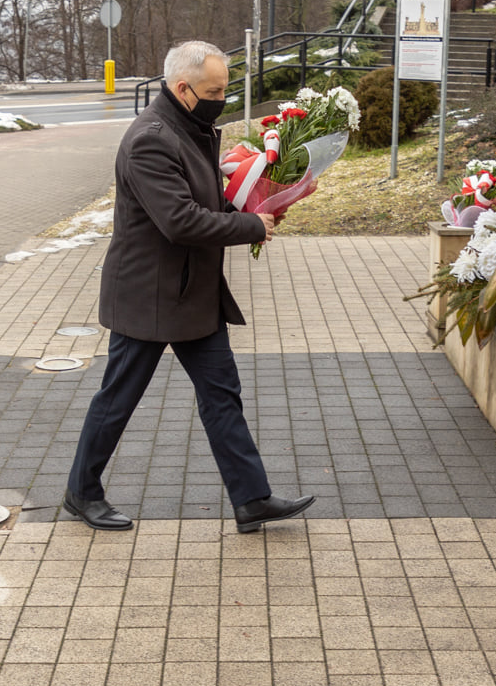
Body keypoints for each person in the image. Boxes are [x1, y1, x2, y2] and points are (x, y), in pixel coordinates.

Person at [65, 40, 315, 533]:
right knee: (118, 398)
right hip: (149, 297)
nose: (222, 98)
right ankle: (82, 492)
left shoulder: (193, 128)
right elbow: (179, 221)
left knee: (222, 394)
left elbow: (205, 201)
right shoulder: (151, 140)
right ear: (183, 89)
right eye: (214, 90)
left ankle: (251, 499)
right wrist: (251, 227)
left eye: (224, 88)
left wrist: (259, 205)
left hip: (193, 293)